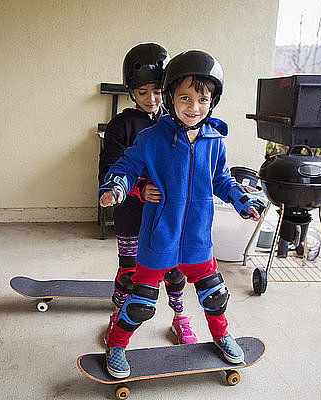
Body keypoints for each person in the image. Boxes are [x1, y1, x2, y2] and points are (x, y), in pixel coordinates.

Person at [98, 50, 265, 378]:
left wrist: (242, 201)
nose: (193, 107)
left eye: (202, 98)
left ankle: (221, 336)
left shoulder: (214, 140)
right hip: (159, 237)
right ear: (171, 98)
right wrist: (116, 188)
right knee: (142, 301)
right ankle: (117, 344)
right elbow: (126, 165)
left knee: (215, 296)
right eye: (185, 98)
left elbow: (222, 179)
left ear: (212, 100)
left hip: (197, 239)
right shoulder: (150, 138)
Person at [98, 43, 198, 347]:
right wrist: (139, 188)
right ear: (131, 92)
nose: (151, 99)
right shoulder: (121, 125)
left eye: (157, 92)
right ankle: (118, 314)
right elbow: (110, 169)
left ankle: (180, 319)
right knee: (130, 272)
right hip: (132, 216)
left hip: (168, 218)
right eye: (143, 92)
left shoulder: (177, 124)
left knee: (174, 273)